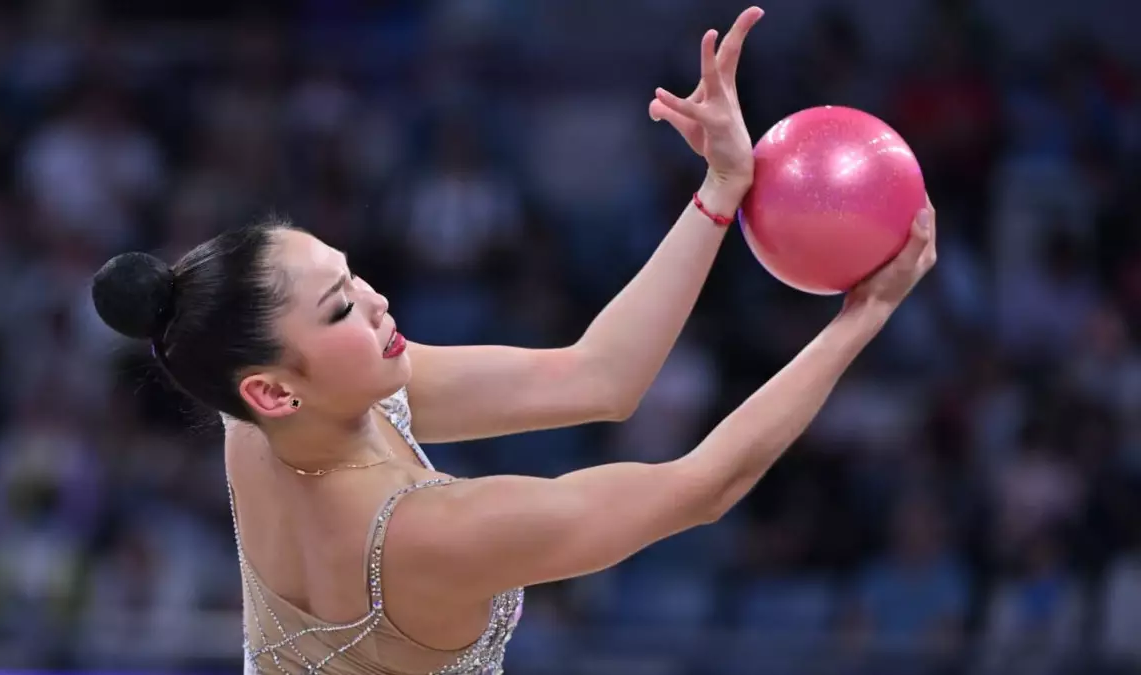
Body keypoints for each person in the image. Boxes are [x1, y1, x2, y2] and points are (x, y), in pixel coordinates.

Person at [91, 8, 937, 674]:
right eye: (343, 309)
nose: (380, 302)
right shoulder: (430, 533)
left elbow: (600, 377)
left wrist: (721, 190)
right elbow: (702, 486)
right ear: (275, 387)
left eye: (352, 278)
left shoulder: (259, 409)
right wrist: (861, 315)